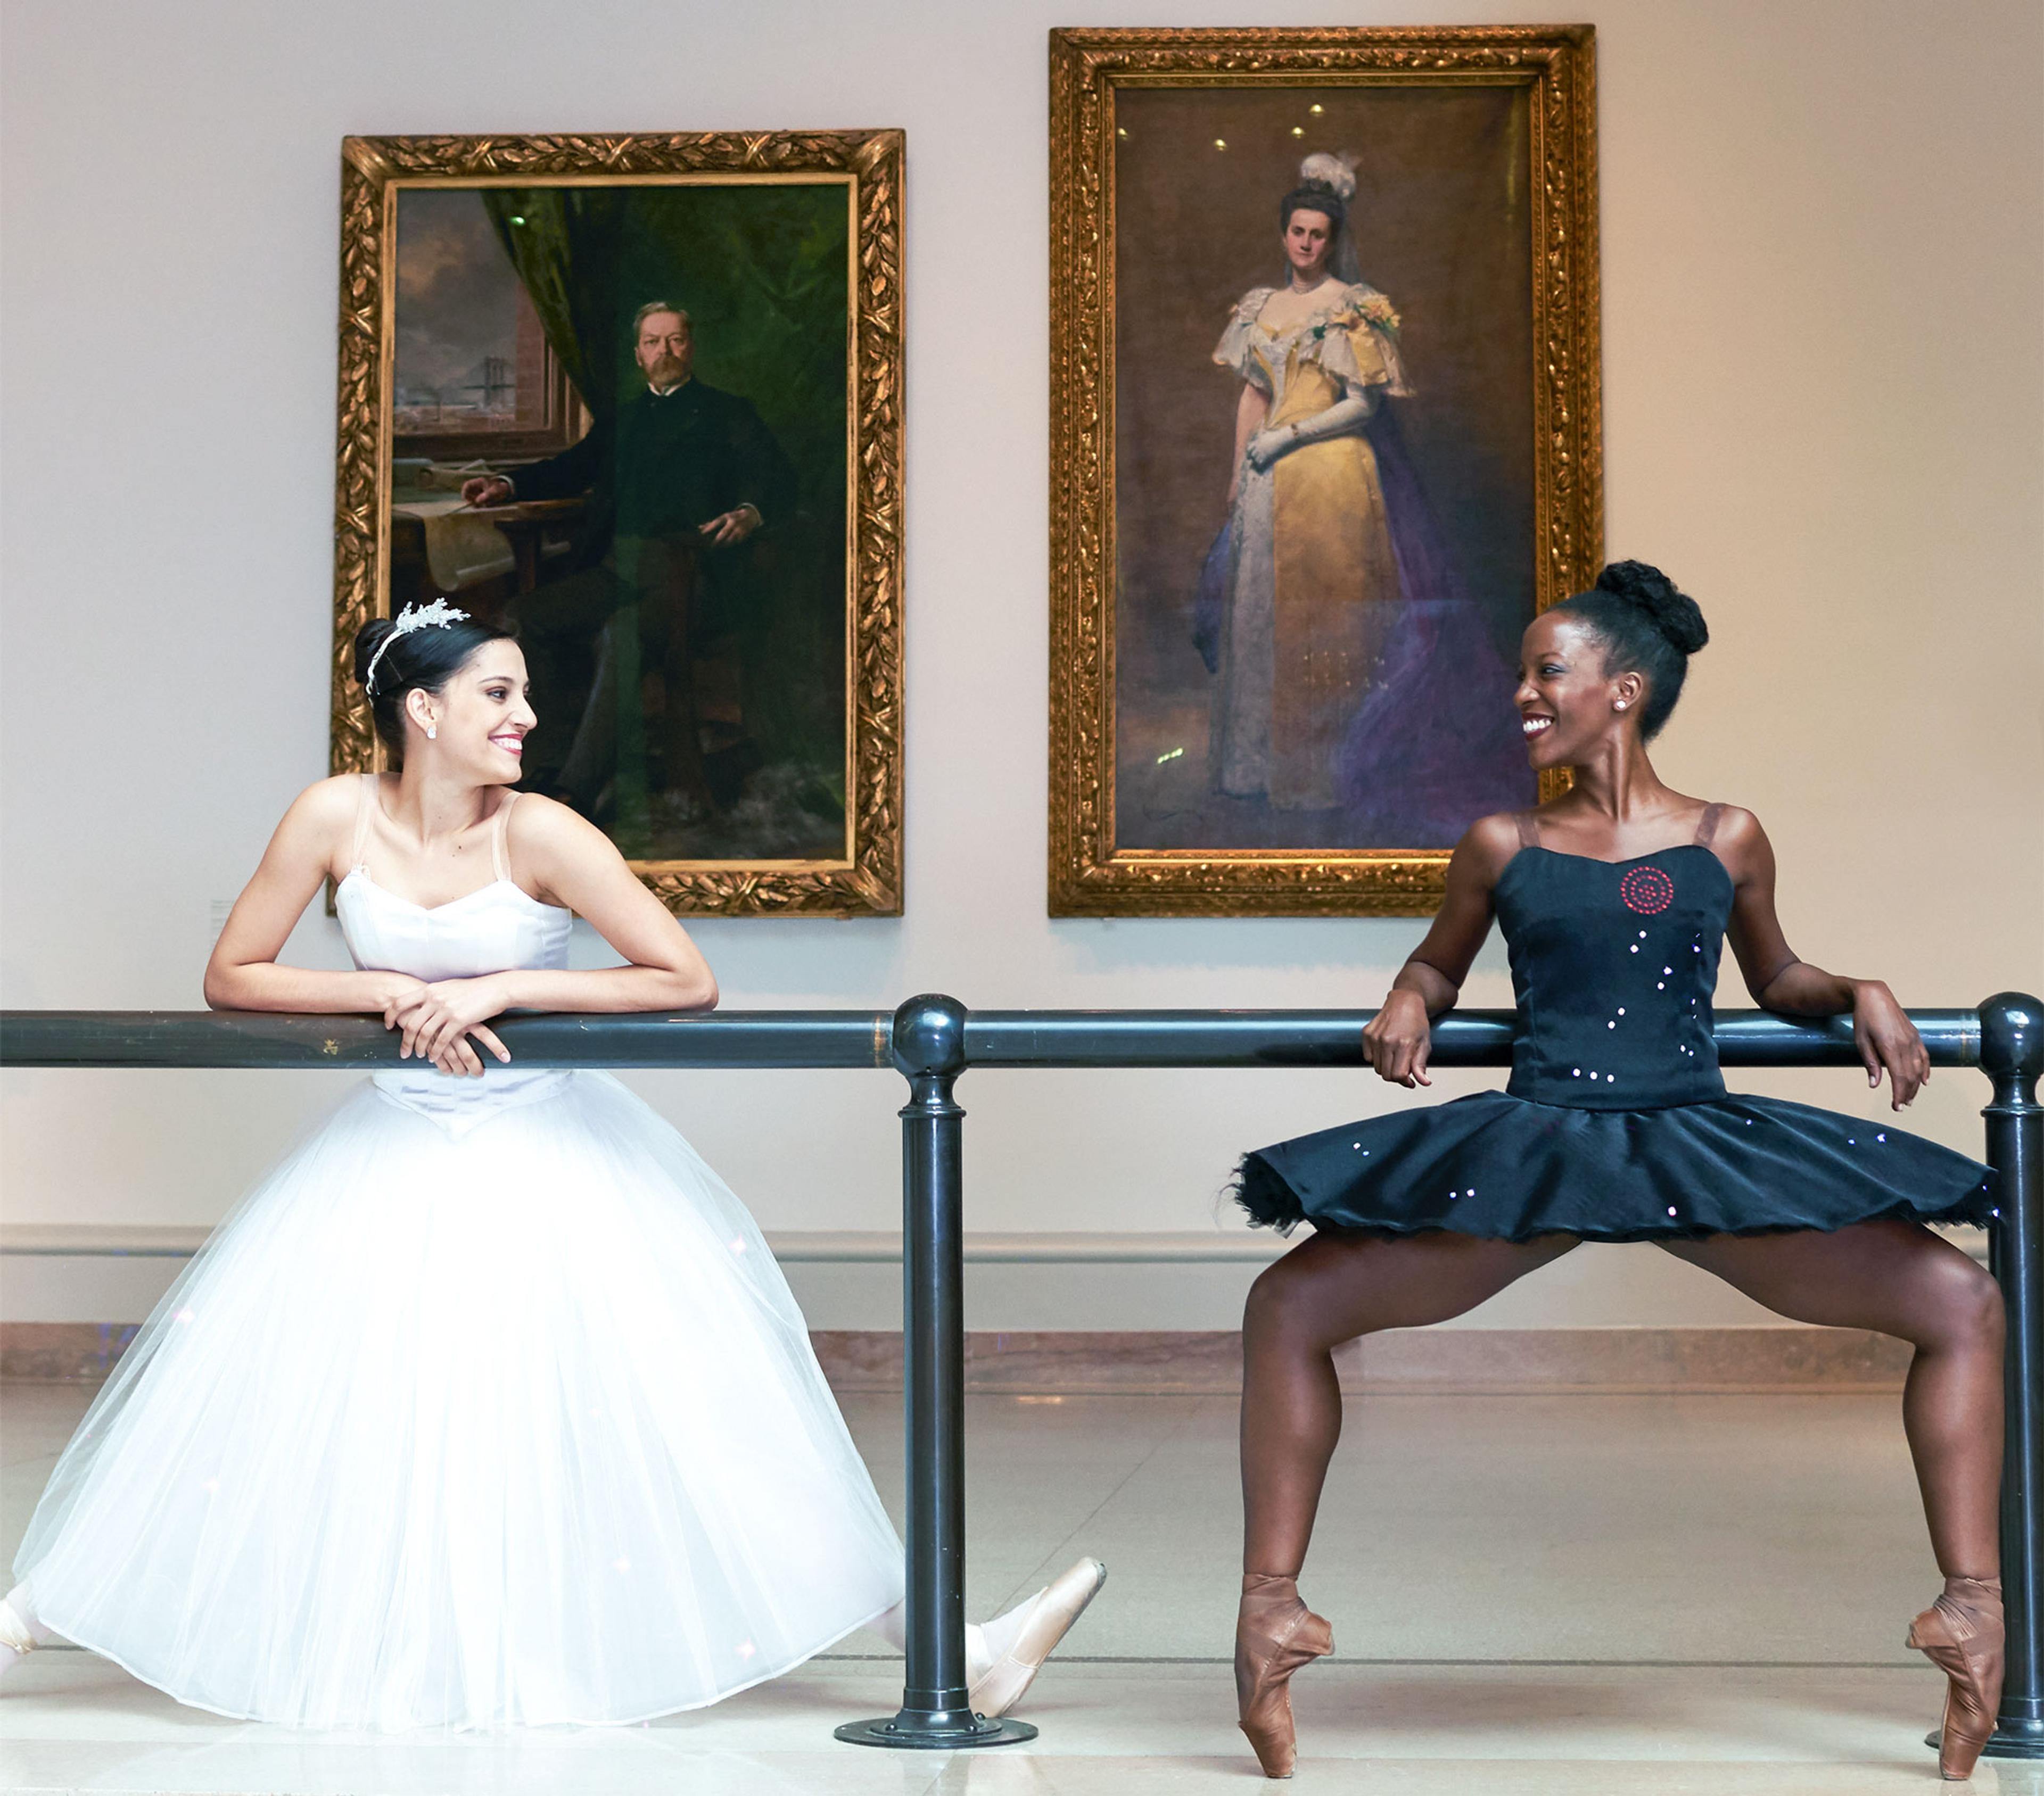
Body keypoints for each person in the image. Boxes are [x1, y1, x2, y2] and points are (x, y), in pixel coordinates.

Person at [0, 601, 1102, 1727]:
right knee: (253, 1410)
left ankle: (951, 1648)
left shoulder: (543, 833)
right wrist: (382, 991)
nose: (527, 715)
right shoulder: (333, 815)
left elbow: (682, 977)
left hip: (552, 1157)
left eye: (526, 693)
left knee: (705, 1418)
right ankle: (25, 1617)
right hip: (387, 1153)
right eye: (498, 694)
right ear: (422, 710)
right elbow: (235, 970)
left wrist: (499, 988)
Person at [1227, 563, 2003, 1780]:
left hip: (1688, 1135)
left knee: (1959, 1303)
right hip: (1542, 1139)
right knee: (1288, 1305)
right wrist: (1405, 994)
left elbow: (1776, 978)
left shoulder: (1722, 835)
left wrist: (1858, 989)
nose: (1520, 692)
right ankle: (1269, 1616)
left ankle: (1969, 1614)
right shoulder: (1500, 840)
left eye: (1546, 671)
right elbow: (1436, 966)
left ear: (1621, 691)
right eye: (1524, 671)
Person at [1204, 153, 1529, 836]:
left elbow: (1362, 407)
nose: (1306, 245)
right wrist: (1239, 472)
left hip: (1331, 479)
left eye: (1319, 235)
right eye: (1297, 232)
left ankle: (1322, 772)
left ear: (1334, 238)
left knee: (1324, 621)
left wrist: (1287, 440)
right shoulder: (1261, 307)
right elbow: (1253, 395)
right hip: (1266, 478)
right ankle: (1256, 768)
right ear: (1282, 233)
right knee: (1262, 613)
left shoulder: (1354, 308)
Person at [463, 303, 795, 820]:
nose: (665, 351)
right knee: (525, 618)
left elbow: (774, 477)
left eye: (676, 340)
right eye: (653, 342)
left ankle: (571, 794)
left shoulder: (730, 414)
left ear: (692, 347)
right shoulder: (626, 419)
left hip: (695, 578)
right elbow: (571, 468)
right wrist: (506, 483)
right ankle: (544, 768)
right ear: (638, 355)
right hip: (618, 569)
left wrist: (750, 512)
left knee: (622, 634)